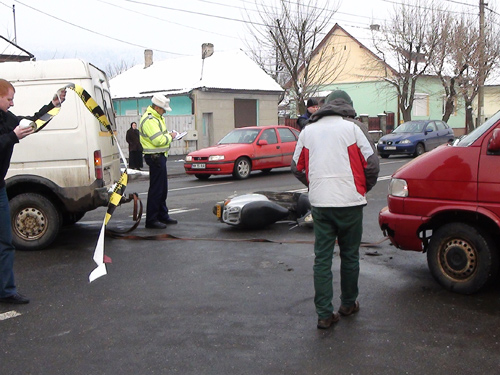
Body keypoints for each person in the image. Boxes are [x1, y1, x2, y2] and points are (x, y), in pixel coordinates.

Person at [291, 90, 379, 329]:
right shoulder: (354, 128)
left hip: (320, 204)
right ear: (348, 106)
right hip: (350, 203)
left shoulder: (308, 130)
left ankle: (324, 314)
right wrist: (362, 188)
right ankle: (348, 304)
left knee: (322, 258)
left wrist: (315, 185)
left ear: (325, 106)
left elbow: (296, 166)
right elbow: (372, 164)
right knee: (350, 255)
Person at [0, 79, 66, 304]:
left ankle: (6, 291)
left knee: (5, 242)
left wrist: (53, 106)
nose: (12, 103)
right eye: (9, 98)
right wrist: (12, 137)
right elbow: (9, 138)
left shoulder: (7, 118)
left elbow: (32, 123)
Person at [139, 94, 178, 229]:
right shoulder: (150, 120)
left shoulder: (156, 118)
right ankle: (151, 219)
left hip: (159, 156)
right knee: (156, 189)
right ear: (157, 107)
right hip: (155, 157)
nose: (165, 111)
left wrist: (168, 136)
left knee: (162, 189)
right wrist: (171, 136)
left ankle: (162, 215)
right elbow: (158, 140)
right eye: (163, 109)